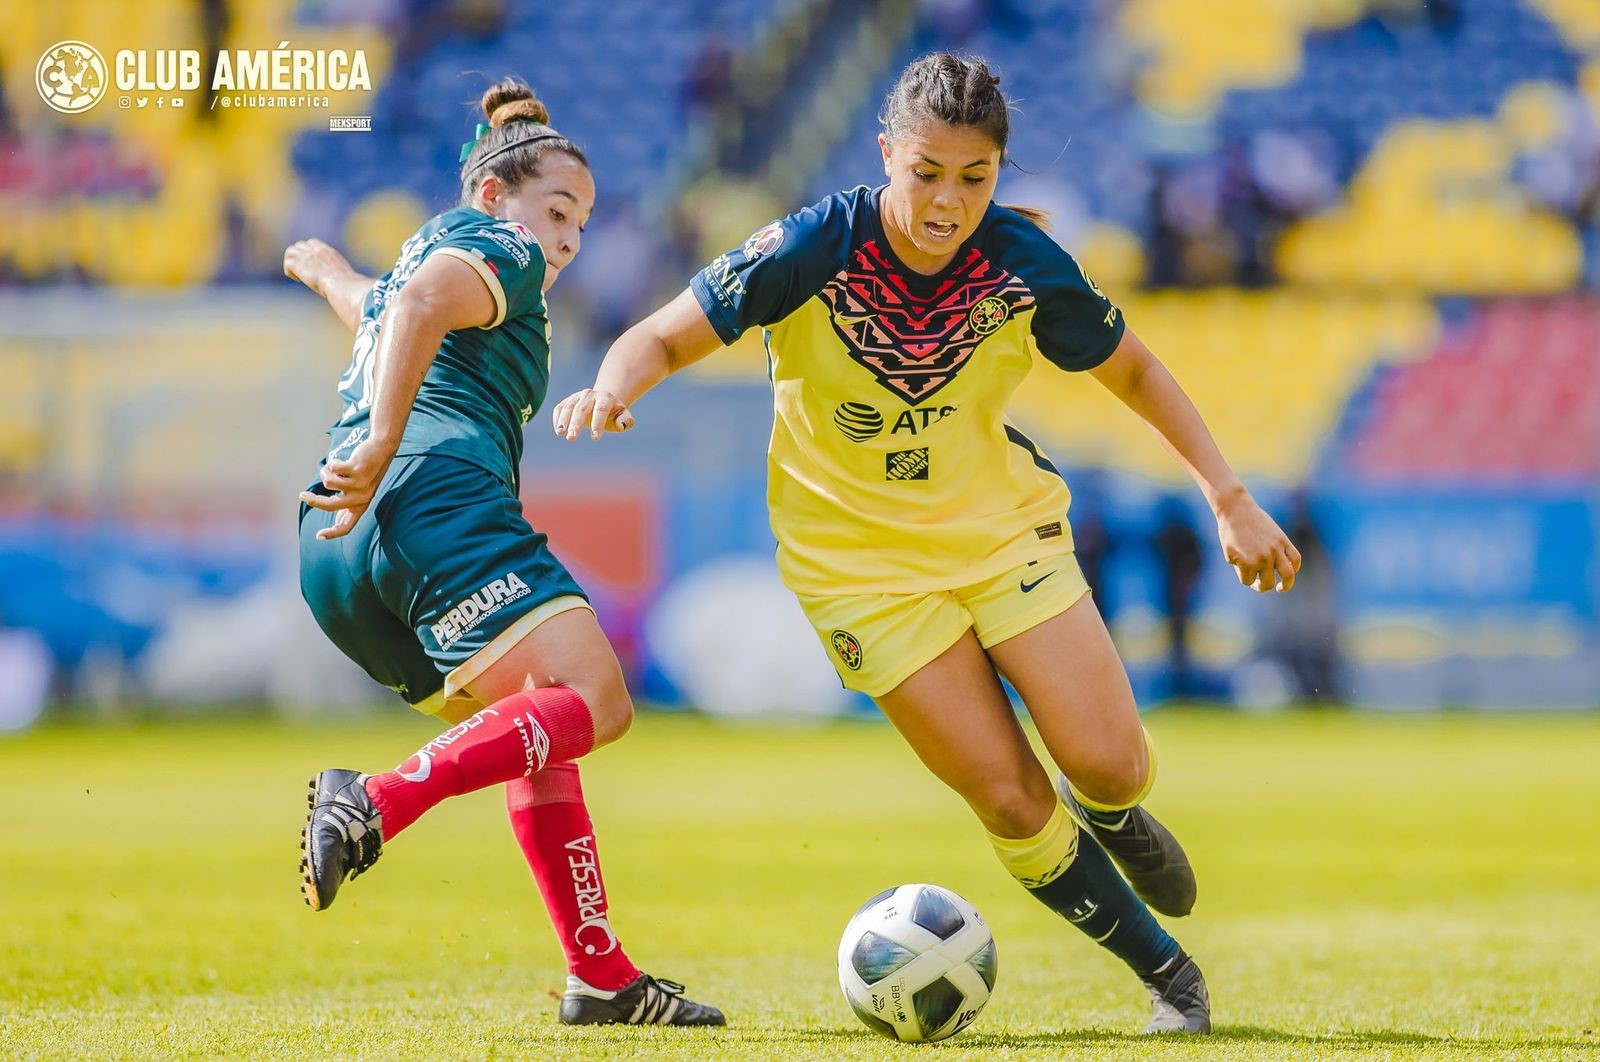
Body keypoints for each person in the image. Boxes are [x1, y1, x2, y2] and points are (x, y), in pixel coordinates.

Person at [554, 52, 1302, 1035]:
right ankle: (1168, 974)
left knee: (1110, 765)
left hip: (998, 532)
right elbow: (656, 336)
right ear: (886, 155)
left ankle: (1113, 814)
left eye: (974, 178)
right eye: (927, 173)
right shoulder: (813, 245)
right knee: (1009, 796)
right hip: (856, 569)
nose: (949, 202)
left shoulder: (1023, 261)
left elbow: (1133, 370)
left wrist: (1227, 496)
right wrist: (613, 388)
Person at [285, 76, 722, 1028]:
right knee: (596, 700)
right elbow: (415, 306)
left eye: (581, 223)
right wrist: (384, 442)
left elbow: (382, 307)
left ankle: (599, 976)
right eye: (556, 211)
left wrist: (325, 271)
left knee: (537, 720)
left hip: (335, 547)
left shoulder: (437, 254)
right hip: (427, 495)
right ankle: (375, 800)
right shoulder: (500, 247)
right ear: (492, 194)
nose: (566, 240)